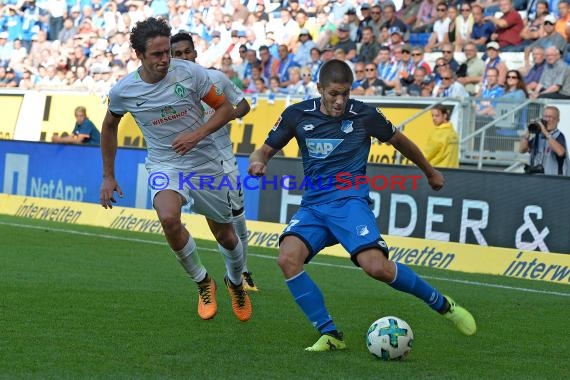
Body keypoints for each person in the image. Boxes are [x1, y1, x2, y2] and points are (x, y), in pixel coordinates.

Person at [248, 59, 476, 352]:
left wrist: (429, 171)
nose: (340, 101)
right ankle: (330, 334)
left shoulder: (365, 115)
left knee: (376, 267)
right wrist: (257, 162)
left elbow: (400, 141)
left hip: (350, 202)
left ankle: (444, 305)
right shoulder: (296, 114)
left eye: (345, 93)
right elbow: (265, 149)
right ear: (320, 89)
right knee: (287, 259)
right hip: (314, 206)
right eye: (333, 94)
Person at [99, 17, 252, 322]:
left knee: (226, 236)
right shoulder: (123, 90)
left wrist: (197, 134)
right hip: (165, 163)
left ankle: (235, 283)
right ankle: (202, 281)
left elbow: (224, 108)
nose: (165, 59)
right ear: (139, 55)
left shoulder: (191, 74)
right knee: (168, 217)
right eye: (157, 54)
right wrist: (108, 174)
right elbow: (109, 126)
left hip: (205, 162)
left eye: (167, 52)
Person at [170, 31, 258, 292]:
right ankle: (230, 277)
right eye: (178, 54)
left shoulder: (216, 78)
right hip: (193, 164)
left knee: (237, 218)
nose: (184, 57)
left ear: (195, 53)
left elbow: (243, 105)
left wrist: (221, 116)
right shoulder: (169, 88)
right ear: (172, 58)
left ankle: (242, 272)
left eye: (187, 52)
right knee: (221, 222)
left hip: (224, 160)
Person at [519, 106, 569, 175]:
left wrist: (546, 133)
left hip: (555, 180)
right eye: (545, 116)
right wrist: (528, 132)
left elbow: (560, 152)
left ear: (557, 120)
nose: (547, 120)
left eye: (550, 117)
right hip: (537, 179)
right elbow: (522, 150)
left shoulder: (558, 136)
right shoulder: (538, 136)